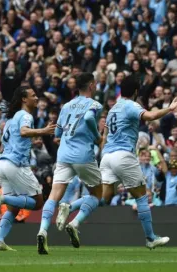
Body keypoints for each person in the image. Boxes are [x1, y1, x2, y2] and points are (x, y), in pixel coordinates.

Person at [57, 76, 177, 249]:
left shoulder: (113, 109)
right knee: (141, 196)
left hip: (107, 156)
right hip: (124, 155)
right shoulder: (132, 105)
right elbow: (151, 116)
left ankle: (73, 215)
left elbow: (105, 136)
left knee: (102, 197)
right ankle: (151, 238)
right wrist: (170, 108)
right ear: (136, 92)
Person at [36, 73, 103, 255]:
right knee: (98, 194)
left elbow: (57, 132)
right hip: (83, 155)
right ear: (90, 85)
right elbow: (89, 119)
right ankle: (74, 222)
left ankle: (42, 230)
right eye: (95, 83)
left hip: (63, 154)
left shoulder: (66, 106)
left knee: (53, 196)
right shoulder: (95, 104)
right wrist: (97, 137)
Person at [0, 86, 56, 251]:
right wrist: (44, 131)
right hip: (16, 164)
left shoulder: (10, 120)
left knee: (14, 207)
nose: (37, 98)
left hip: (2, 164)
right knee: (38, 202)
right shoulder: (25, 115)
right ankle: (1, 199)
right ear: (24, 99)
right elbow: (24, 132)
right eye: (33, 95)